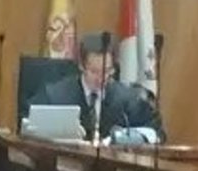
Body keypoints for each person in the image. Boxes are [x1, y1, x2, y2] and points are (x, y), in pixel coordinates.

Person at [27, 32, 164, 142]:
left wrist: (126, 138)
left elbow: (157, 133)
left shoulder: (129, 100)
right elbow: (29, 129)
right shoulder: (54, 96)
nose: (101, 78)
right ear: (81, 66)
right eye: (94, 71)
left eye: (107, 71)